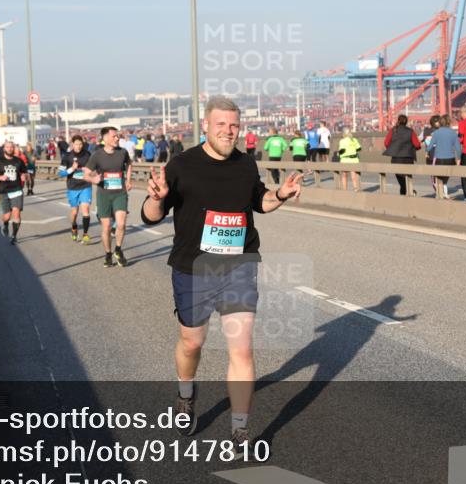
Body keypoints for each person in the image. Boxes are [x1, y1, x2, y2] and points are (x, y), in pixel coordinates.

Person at [140, 97, 303, 450]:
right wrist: (155, 198)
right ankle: (186, 392)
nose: (229, 132)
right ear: (205, 126)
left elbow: (260, 201)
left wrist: (282, 194)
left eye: (234, 126)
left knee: (241, 350)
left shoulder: (245, 165)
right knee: (192, 342)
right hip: (193, 269)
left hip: (238, 266)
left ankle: (240, 430)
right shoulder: (181, 165)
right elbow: (151, 215)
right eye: (221, 125)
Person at [84, 126, 133, 267]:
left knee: (121, 223)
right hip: (104, 195)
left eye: (118, 136)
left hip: (120, 193)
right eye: (114, 136)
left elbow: (129, 164)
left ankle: (118, 249)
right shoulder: (97, 155)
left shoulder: (122, 152)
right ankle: (108, 254)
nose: (117, 138)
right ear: (105, 138)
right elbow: (86, 173)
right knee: (106, 226)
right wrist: (94, 180)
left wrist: (128, 180)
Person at [0, 140, 28, 244]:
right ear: (4, 148)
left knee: (17, 214)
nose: (9, 149)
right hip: (3, 191)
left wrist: (24, 176)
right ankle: (5, 224)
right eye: (7, 147)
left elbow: (24, 172)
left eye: (11, 147)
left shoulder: (18, 161)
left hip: (16, 190)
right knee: (7, 216)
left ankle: (14, 235)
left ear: (13, 148)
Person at [61, 135, 93, 243]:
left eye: (80, 144)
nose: (78, 146)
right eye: (76, 144)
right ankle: (74, 227)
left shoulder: (88, 155)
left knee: (86, 209)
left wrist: (88, 170)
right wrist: (72, 169)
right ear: (72, 144)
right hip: (72, 187)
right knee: (74, 212)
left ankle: (85, 234)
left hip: (85, 185)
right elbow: (60, 173)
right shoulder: (67, 156)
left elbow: (94, 168)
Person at [383, 114, 422, 196]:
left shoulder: (393, 130)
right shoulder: (410, 131)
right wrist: (413, 149)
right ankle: (409, 193)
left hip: (396, 159)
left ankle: (405, 195)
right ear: (406, 122)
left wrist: (392, 148)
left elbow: (386, 143)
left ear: (398, 120)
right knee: (407, 179)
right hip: (408, 159)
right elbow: (417, 145)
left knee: (401, 181)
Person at [429, 116, 461, 199]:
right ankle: (445, 194)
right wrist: (458, 159)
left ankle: (439, 193)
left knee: (434, 178)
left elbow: (429, 147)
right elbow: (458, 148)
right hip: (451, 159)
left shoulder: (436, 133)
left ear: (440, 123)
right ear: (448, 122)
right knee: (445, 179)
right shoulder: (453, 132)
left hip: (439, 158)